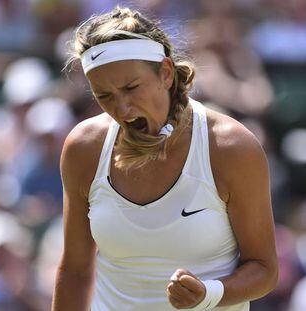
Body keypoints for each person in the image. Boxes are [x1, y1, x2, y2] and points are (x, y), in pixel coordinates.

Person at [52, 6, 278, 311]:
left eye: (132, 88)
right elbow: (75, 272)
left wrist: (207, 294)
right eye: (104, 95)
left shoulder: (231, 148)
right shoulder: (84, 148)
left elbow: (264, 270)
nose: (122, 108)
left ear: (167, 73)